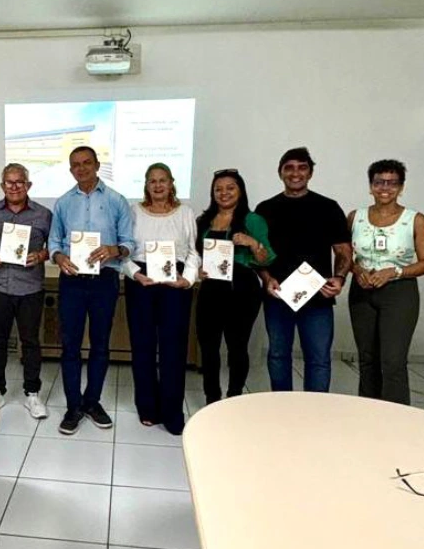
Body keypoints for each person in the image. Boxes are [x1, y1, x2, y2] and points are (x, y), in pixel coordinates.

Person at [48, 146, 135, 435]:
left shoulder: (116, 201)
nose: (82, 168)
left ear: (98, 165)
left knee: (100, 344)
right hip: (72, 280)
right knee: (70, 345)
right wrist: (59, 257)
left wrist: (115, 249)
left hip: (104, 280)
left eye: (87, 163)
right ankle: (74, 406)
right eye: (76, 164)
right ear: (70, 169)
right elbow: (54, 242)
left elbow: (129, 243)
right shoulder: (62, 203)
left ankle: (92, 401)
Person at [255, 147, 352, 392]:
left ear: (310, 173)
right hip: (277, 296)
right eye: (289, 167)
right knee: (278, 356)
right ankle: (282, 408)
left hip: (318, 298)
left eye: (302, 167)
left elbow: (343, 251)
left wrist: (339, 278)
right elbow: (257, 256)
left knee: (318, 360)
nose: (295, 173)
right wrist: (266, 278)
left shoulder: (328, 207)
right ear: (280, 173)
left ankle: (315, 415)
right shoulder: (265, 209)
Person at [347, 160, 424, 405]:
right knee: (367, 358)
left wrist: (394, 272)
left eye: (392, 183)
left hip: (399, 292)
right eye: (379, 182)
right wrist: (357, 270)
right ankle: (368, 412)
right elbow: (345, 256)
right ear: (370, 186)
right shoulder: (356, 217)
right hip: (362, 291)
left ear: (401, 187)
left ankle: (396, 419)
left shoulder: (415, 219)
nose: (385, 188)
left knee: (393, 360)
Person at [122, 163, 198, 435]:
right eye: (152, 181)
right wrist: (134, 274)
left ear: (171, 182)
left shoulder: (185, 213)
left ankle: (172, 411)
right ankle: (148, 408)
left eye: (162, 180)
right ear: (146, 184)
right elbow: (125, 251)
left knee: (173, 349)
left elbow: (193, 252)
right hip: (142, 282)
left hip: (173, 283)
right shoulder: (134, 212)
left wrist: (187, 279)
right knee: (142, 346)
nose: (157, 186)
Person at [0, 163, 52, 418]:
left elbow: (57, 244)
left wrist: (40, 255)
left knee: (30, 342)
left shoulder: (43, 214)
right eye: (9, 182)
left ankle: (32, 393)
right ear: (2, 185)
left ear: (28, 185)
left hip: (30, 287)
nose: (14, 187)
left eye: (20, 182)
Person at [195, 169, 275, 403]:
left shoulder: (252, 220)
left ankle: (234, 398)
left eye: (230, 188)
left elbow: (267, 258)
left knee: (237, 347)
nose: (224, 193)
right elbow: (197, 255)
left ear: (240, 191)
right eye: (218, 189)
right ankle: (212, 398)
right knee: (208, 348)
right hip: (211, 288)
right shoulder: (204, 221)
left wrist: (252, 242)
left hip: (242, 288)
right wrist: (199, 269)